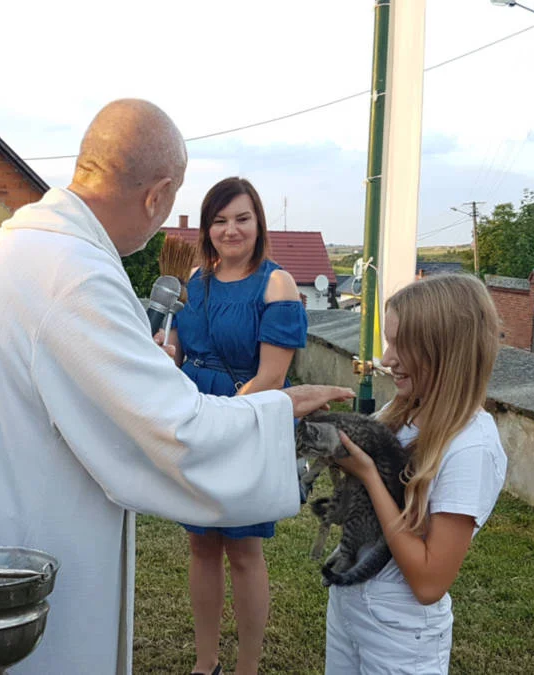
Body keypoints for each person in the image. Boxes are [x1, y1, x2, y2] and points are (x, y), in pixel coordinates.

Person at [0, 99, 353, 675]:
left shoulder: (17, 242)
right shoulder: (74, 273)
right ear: (156, 195)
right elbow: (173, 430)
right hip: (26, 541)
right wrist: (278, 412)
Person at [325, 274, 508, 675]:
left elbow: (428, 582)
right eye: (388, 342)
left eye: (399, 345)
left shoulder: (470, 448)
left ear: (444, 350)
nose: (387, 359)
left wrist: (370, 476)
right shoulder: (403, 412)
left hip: (401, 634)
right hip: (351, 603)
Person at [168, 177, 307, 675]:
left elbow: (272, 375)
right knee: (201, 545)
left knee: (244, 551)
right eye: (220, 220)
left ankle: (247, 667)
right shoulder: (192, 285)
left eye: (241, 219)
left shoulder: (277, 283)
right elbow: (179, 357)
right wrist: (166, 355)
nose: (231, 230)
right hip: (196, 424)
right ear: (207, 228)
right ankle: (206, 664)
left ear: (258, 222)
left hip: (245, 424)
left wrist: (220, 419)